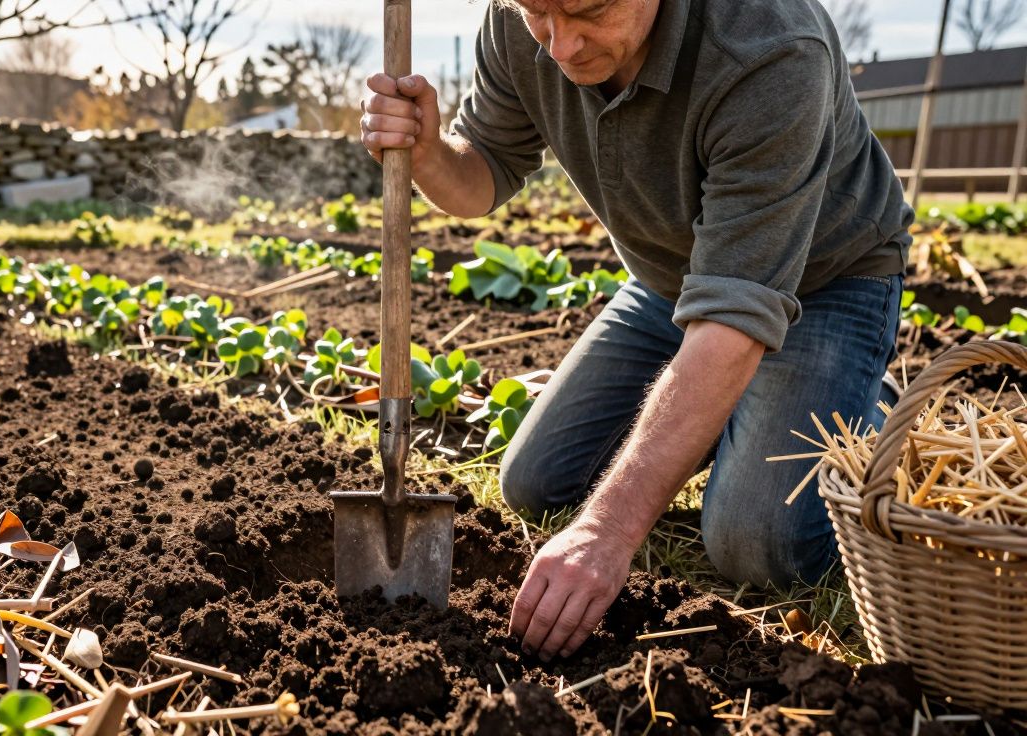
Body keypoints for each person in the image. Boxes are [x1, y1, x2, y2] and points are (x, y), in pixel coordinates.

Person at [359, 0, 912, 663]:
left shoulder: (772, 48)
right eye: (540, 14)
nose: (561, 47)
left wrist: (608, 531)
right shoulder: (517, 23)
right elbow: (483, 174)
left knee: (759, 544)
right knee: (537, 484)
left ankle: (860, 410)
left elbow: (733, 318)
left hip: (827, 280)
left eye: (589, 11)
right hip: (671, 283)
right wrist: (427, 153)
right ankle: (734, 408)